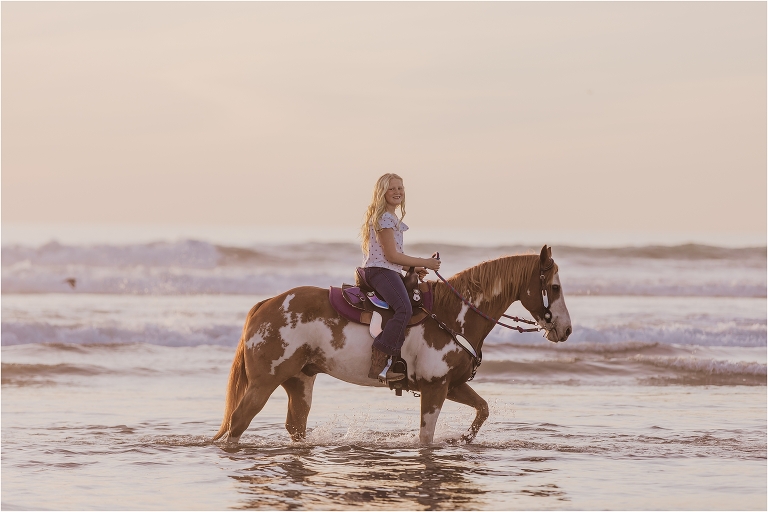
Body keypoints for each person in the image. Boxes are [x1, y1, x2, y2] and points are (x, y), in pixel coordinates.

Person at [359, 173, 441, 383]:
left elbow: (392, 257)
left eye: (400, 188)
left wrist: (411, 267)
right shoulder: (385, 218)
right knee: (403, 308)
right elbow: (391, 256)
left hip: (387, 269)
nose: (397, 192)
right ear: (382, 192)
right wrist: (425, 262)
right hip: (380, 271)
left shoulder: (391, 217)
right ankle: (381, 356)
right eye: (392, 188)